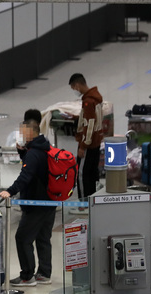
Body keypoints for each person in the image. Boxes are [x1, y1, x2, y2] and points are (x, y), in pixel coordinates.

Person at [0, 118, 55, 287]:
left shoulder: (33, 153)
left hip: (35, 204)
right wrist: (23, 153)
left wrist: (10, 191)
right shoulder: (44, 148)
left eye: (23, 131)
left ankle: (27, 276)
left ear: (31, 132)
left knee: (22, 238)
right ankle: (44, 273)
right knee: (43, 238)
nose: (21, 134)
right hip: (49, 201)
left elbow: (26, 176)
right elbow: (37, 170)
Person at [68, 73, 104, 208]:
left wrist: (83, 146)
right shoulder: (96, 97)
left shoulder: (88, 101)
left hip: (88, 144)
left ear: (77, 85)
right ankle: (93, 200)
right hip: (96, 143)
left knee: (82, 174)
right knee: (93, 173)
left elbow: (89, 125)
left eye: (73, 88)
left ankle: (83, 203)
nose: (74, 91)